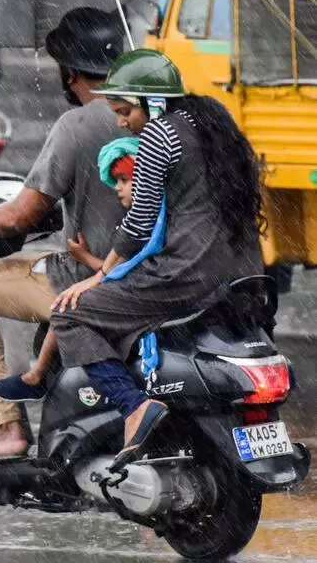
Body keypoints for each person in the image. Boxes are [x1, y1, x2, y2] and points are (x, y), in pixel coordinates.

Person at [0, 8, 125, 462]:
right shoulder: (155, 116)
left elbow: (19, 218)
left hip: (86, 279)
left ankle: (5, 426)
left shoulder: (77, 125)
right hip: (149, 277)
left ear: (70, 71)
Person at [49, 49, 265, 471]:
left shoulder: (158, 136)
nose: (120, 122)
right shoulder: (209, 122)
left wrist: (99, 276)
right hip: (235, 272)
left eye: (125, 110)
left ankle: (133, 407)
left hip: (184, 274)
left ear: (153, 102)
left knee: (69, 313)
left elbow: (139, 222)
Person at [0, 136, 142, 402]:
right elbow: (125, 269)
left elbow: (128, 272)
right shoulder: (139, 217)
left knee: (69, 307)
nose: (117, 188)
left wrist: (88, 264)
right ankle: (37, 376)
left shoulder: (143, 221)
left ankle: (129, 400)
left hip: (147, 292)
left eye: (124, 180)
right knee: (70, 298)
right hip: (138, 284)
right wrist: (89, 262)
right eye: (116, 180)